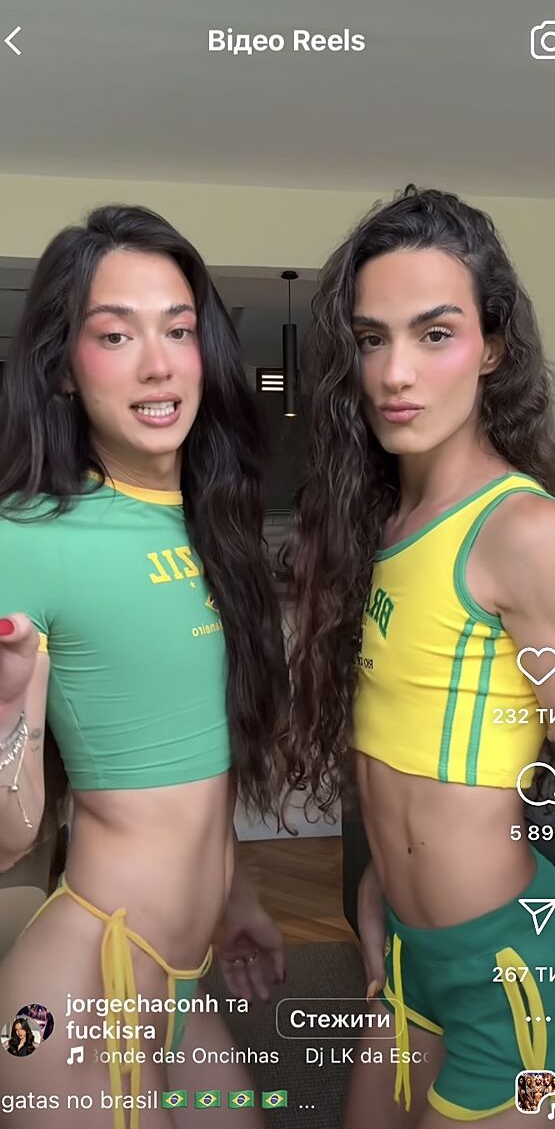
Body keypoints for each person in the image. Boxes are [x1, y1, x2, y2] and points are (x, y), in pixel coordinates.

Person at [0, 205, 289, 1128]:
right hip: (84, 983)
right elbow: (6, 838)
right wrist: (9, 715)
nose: (157, 365)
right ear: (63, 365)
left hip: (182, 975)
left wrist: (236, 897)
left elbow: (199, 765)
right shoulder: (25, 539)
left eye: (178, 330)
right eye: (116, 335)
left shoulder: (217, 525)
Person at [285, 186, 555, 1127]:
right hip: (406, 952)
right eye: (372, 338)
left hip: (505, 965)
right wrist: (378, 883)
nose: (394, 373)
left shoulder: (521, 531)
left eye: (434, 334)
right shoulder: (384, 526)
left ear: (493, 346)